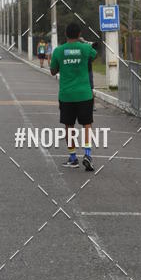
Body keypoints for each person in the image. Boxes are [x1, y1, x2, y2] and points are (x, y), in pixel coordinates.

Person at [50, 22, 97, 172]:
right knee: (87, 124)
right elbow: (94, 56)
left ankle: (73, 158)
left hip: (67, 95)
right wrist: (82, 43)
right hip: (84, 94)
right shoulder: (85, 48)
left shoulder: (59, 51)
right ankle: (87, 154)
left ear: (66, 34)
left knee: (69, 126)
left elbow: (53, 71)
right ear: (79, 34)